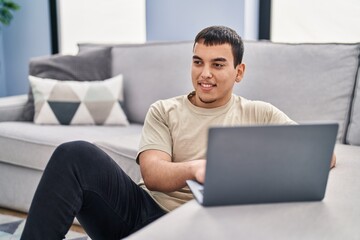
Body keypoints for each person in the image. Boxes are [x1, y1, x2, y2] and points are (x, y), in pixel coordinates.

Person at [21, 26, 336, 240]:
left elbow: (323, 155)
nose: (205, 74)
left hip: (207, 227)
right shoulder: (164, 110)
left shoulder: (260, 113)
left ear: (239, 72)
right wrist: (197, 168)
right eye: (198, 62)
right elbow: (153, 173)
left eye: (218, 64)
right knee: (74, 153)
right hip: (146, 216)